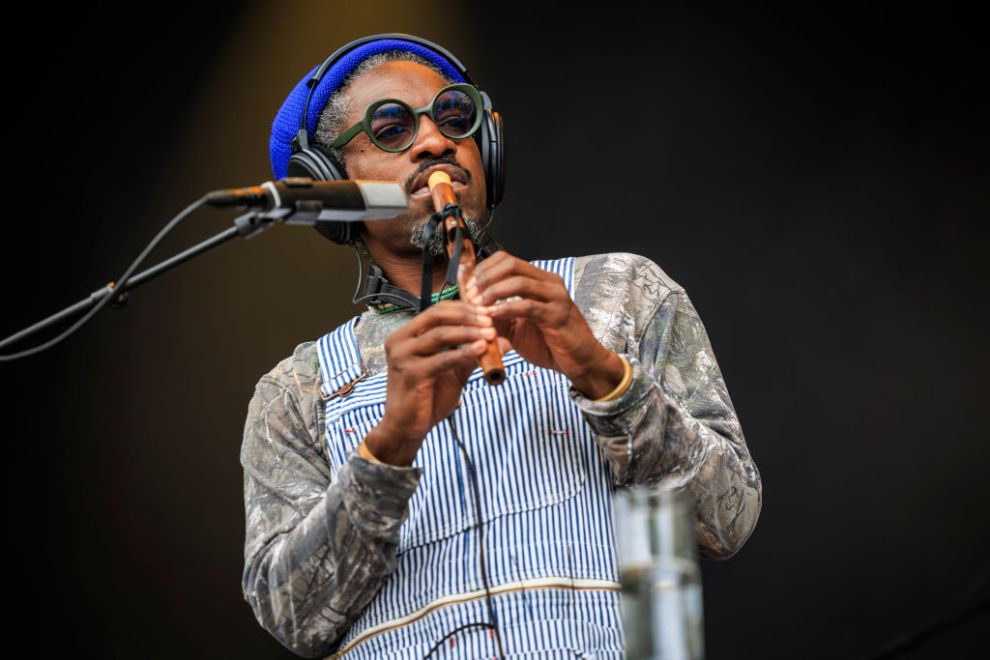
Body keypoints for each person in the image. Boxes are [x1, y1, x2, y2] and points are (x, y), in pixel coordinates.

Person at [241, 34, 762, 659]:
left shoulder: (620, 289)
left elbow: (726, 521)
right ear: (333, 183)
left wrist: (602, 374)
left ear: (487, 145)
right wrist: (390, 444)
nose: (437, 143)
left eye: (455, 117)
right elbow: (296, 622)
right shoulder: (298, 390)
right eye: (391, 129)